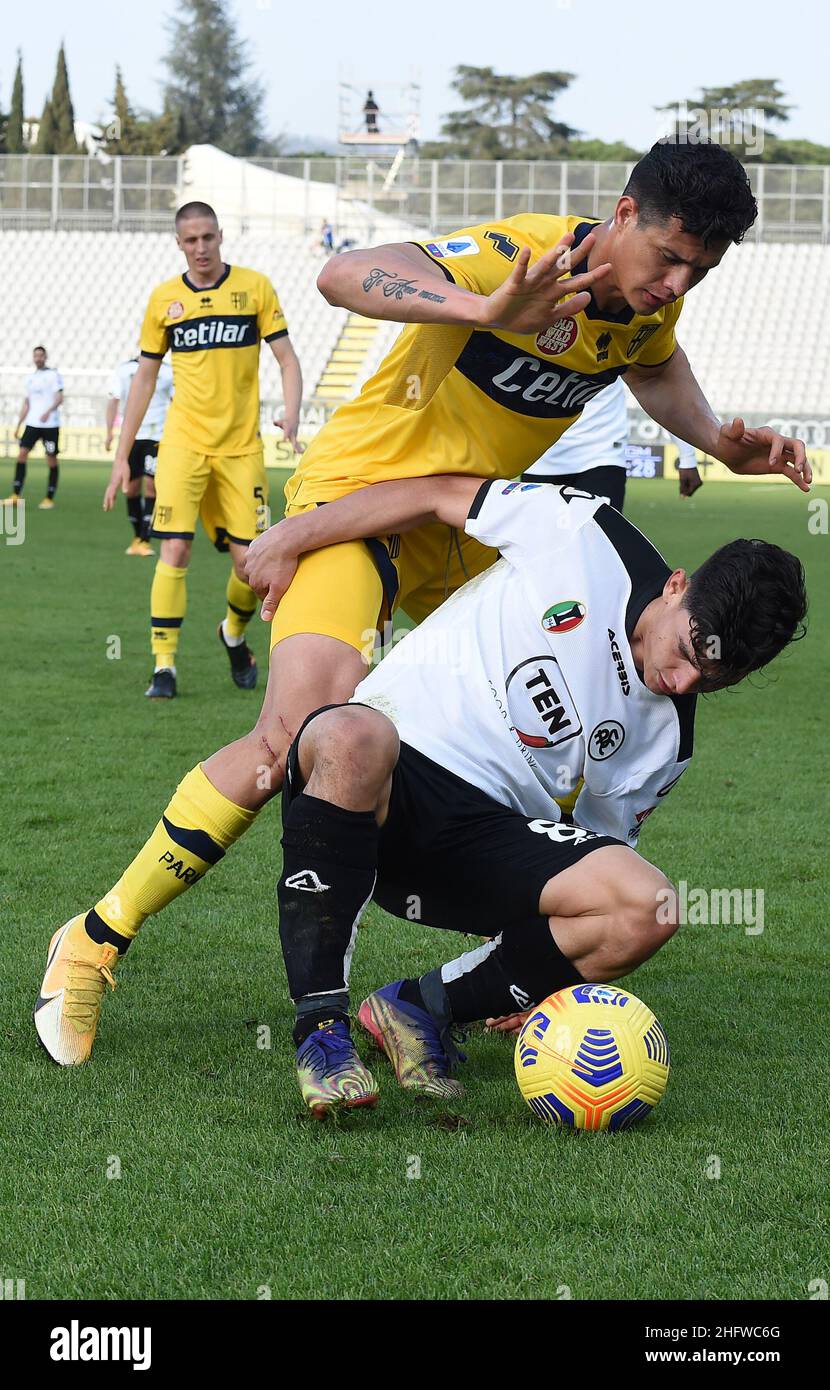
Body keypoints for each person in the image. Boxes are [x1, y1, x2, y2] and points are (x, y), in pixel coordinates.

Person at [34, 141, 812, 1069]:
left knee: (529, 715)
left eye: (700, 271)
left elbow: (651, 364)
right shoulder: (520, 260)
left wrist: (720, 440)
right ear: (623, 213)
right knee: (295, 735)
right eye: (671, 257)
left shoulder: (648, 309)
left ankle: (471, 976)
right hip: (365, 497)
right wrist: (484, 309)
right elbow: (345, 273)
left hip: (460, 528)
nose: (678, 282)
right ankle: (93, 940)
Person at [102, 200, 303, 699]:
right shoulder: (164, 300)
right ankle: (164, 667)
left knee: (251, 566)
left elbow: (287, 359)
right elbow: (144, 378)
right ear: (179, 244)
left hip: (241, 450)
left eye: (207, 237)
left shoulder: (254, 287)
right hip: (183, 446)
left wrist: (292, 413)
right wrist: (120, 457)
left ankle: (233, 633)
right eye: (190, 240)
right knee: (174, 547)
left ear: (220, 236)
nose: (200, 248)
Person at [525, 377, 704, 507]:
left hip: (601, 456)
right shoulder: (532, 332)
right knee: (536, 549)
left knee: (599, 546)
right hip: (540, 459)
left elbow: (655, 388)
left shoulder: (617, 332)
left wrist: (687, 457)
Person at [105, 355, 174, 556]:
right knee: (130, 489)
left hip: (158, 435)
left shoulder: (169, 370)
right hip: (132, 435)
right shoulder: (124, 369)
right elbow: (113, 400)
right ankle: (137, 537)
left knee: (152, 486)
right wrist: (109, 431)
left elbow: (177, 400)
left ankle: (145, 539)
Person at [4, 346, 64, 509]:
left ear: (46, 357)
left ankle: (49, 497)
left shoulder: (53, 375)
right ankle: (16, 494)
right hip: (32, 424)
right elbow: (27, 403)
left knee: (51, 459)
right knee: (22, 454)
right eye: (36, 356)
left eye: (41, 355)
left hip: (50, 424)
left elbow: (60, 398)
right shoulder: (30, 378)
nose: (38, 358)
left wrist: (48, 412)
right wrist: (18, 424)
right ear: (33, 358)